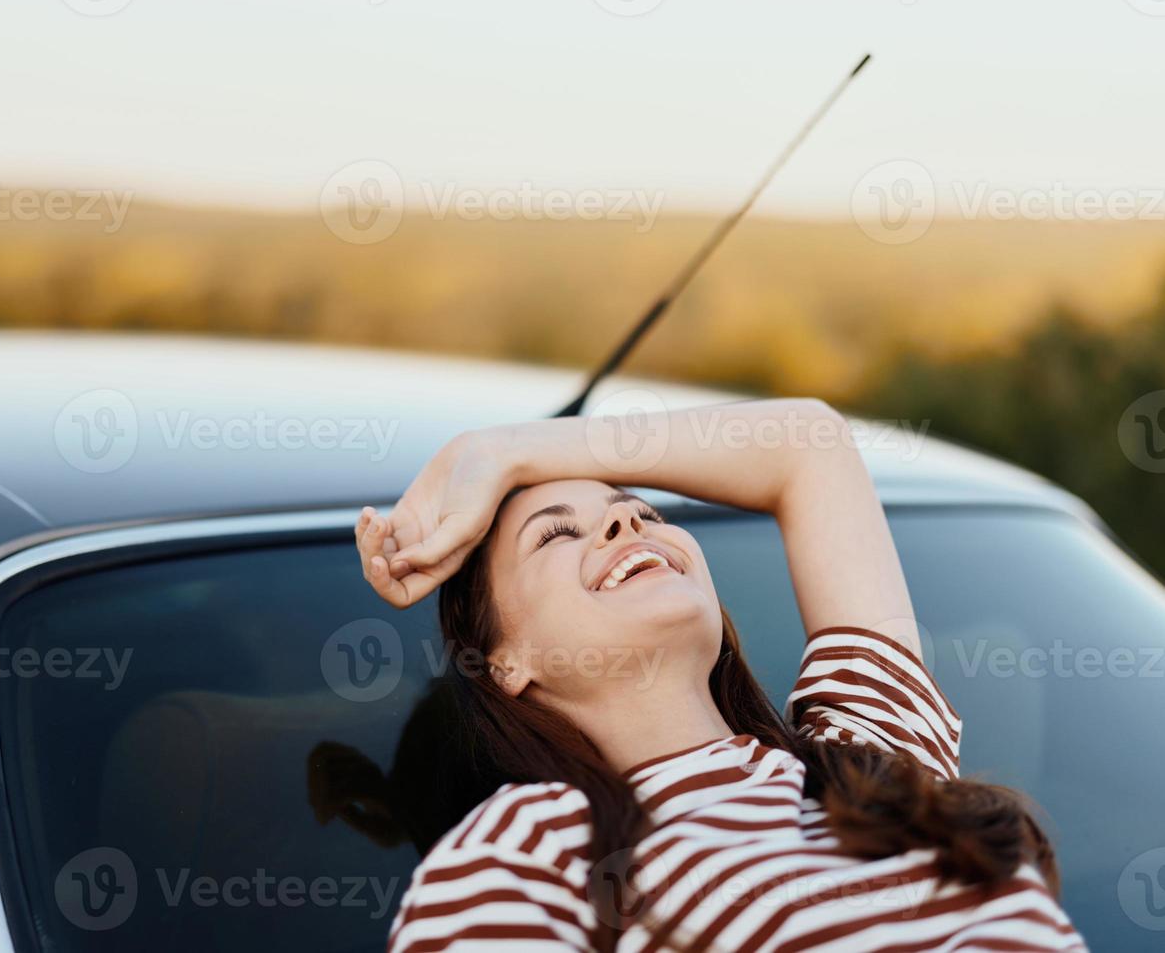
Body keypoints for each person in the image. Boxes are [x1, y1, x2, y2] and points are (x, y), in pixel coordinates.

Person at [353, 397, 1084, 952]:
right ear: (504, 661)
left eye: (636, 510)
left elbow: (809, 445)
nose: (627, 526)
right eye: (555, 534)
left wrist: (500, 452)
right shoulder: (519, 859)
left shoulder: (868, 767)